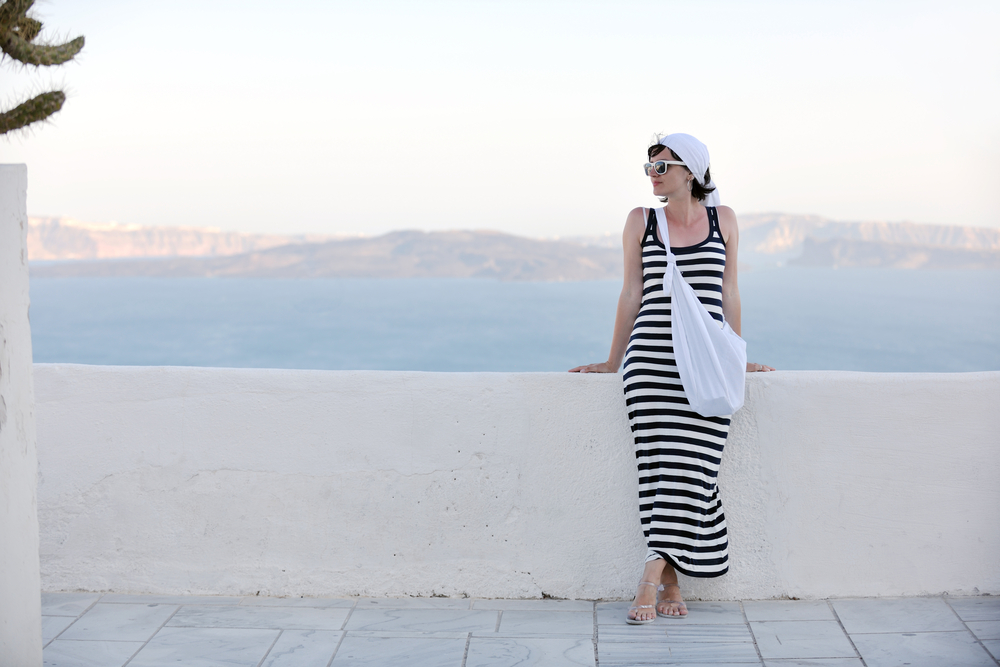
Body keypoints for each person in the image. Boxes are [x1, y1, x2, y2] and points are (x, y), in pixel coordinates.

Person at [570, 133, 774, 624]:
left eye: (661, 167)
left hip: (706, 364)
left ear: (691, 171)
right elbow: (630, 293)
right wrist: (614, 359)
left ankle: (652, 575)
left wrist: (735, 353)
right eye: (649, 168)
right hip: (651, 363)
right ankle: (669, 580)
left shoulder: (723, 220)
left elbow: (730, 290)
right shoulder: (641, 221)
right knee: (658, 468)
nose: (653, 176)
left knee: (695, 467)